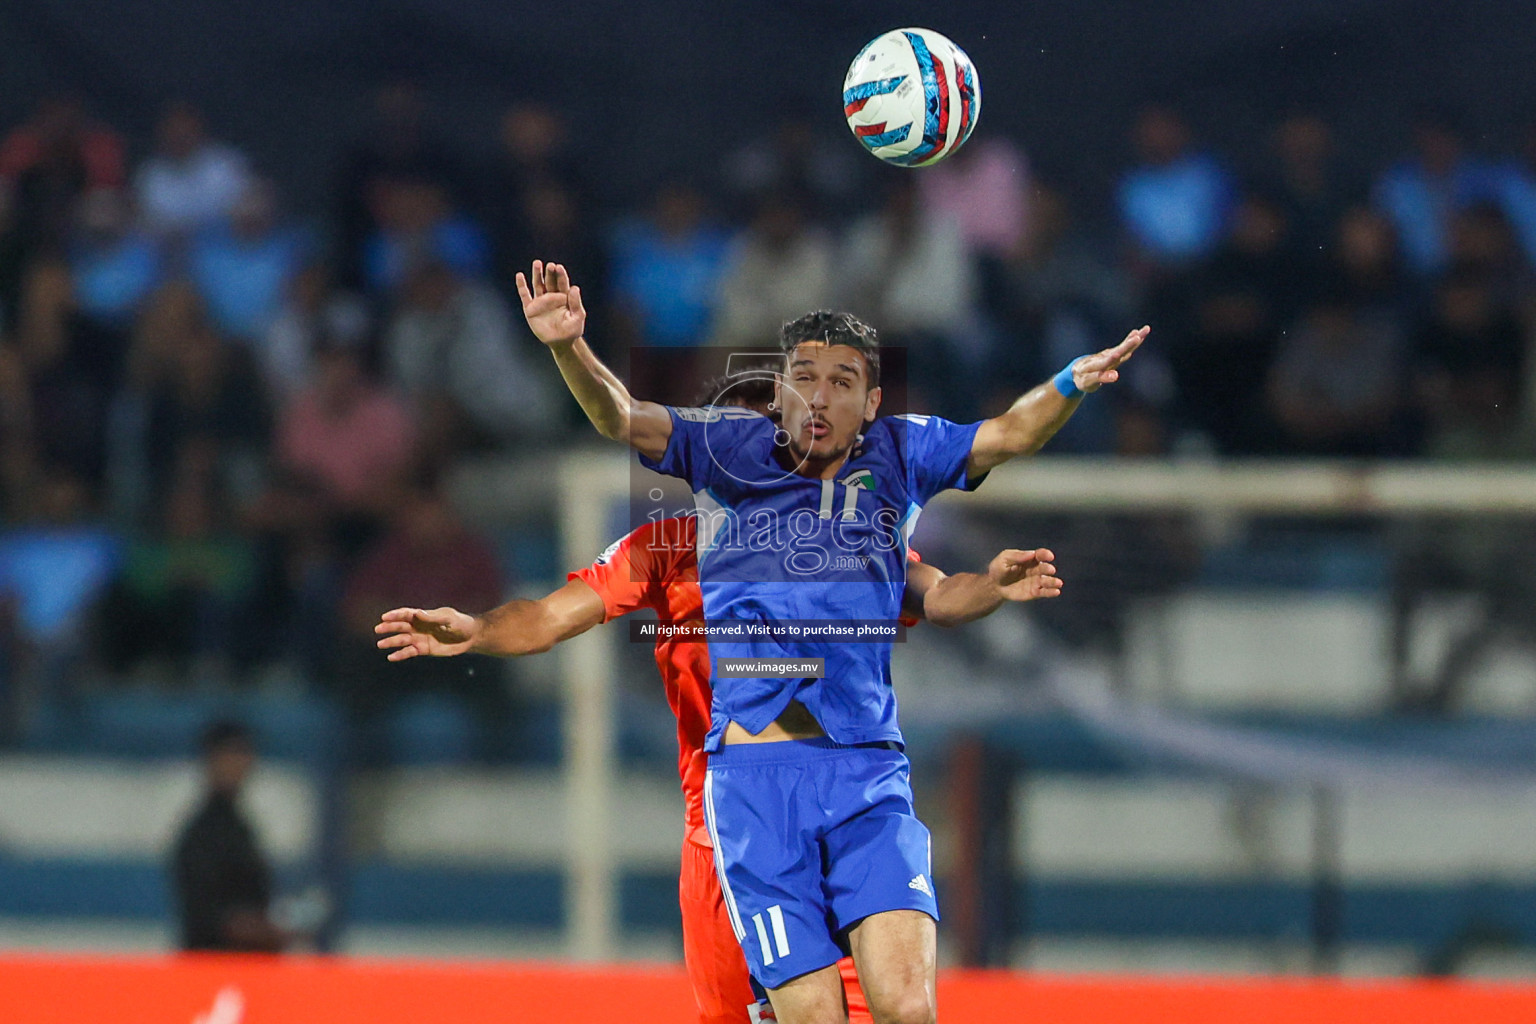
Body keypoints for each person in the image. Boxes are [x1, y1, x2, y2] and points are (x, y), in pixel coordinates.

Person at [516, 260, 1142, 1024]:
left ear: (872, 402)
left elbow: (1001, 450)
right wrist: (567, 348)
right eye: (802, 377)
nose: (819, 394)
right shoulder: (726, 457)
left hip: (866, 774)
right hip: (754, 781)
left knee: (908, 1008)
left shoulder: (903, 457)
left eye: (842, 381)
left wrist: (1070, 383)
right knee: (809, 1017)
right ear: (778, 393)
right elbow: (622, 417)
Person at [375, 372, 1064, 1024]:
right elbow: (550, 618)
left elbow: (936, 592)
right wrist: (477, 630)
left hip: (836, 808)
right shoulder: (664, 551)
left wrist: (990, 588)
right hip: (725, 829)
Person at [170, 720, 289, 952]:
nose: (238, 764)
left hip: (246, 967)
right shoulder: (203, 833)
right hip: (212, 968)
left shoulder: (239, 826)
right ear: (210, 760)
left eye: (243, 754)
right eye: (230, 754)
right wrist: (264, 930)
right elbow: (208, 917)